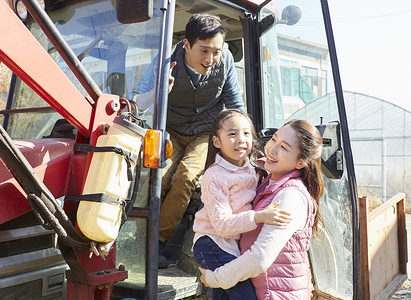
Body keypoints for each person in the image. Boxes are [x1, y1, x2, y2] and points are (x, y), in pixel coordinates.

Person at [134, 13, 245, 268]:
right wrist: (160, 90)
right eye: (203, 50)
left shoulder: (225, 61)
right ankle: (136, 237)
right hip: (170, 129)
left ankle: (158, 242)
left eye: (215, 51)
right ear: (186, 45)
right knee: (157, 177)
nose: (210, 59)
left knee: (185, 177)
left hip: (204, 132)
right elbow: (136, 103)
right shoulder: (164, 60)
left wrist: (245, 144)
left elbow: (234, 103)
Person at [199, 119, 324, 299]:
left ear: (301, 162)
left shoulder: (290, 197)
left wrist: (213, 278)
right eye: (273, 139)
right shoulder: (265, 183)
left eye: (284, 147)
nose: (272, 149)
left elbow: (259, 259)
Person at [192, 109, 292, 300]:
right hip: (213, 243)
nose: (240, 139)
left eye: (246, 133)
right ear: (216, 142)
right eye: (232, 134)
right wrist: (258, 217)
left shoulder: (254, 169)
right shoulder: (214, 176)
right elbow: (222, 225)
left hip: (230, 245)